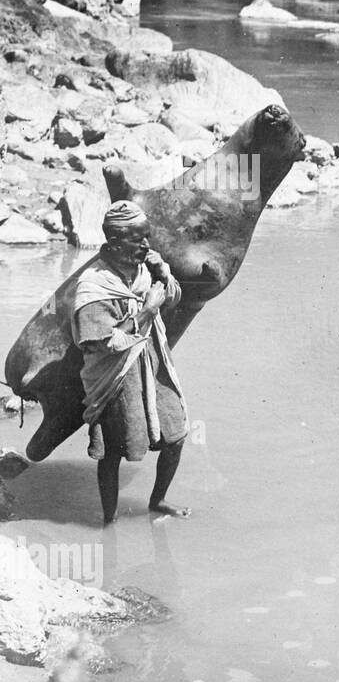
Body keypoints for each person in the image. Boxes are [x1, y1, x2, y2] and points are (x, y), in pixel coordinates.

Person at [72, 200, 190, 525]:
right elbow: (104, 342)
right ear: (114, 243)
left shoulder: (143, 268)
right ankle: (108, 522)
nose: (147, 245)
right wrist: (148, 310)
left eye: (147, 236)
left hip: (151, 361)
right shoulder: (93, 286)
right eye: (138, 239)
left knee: (176, 433)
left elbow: (174, 296)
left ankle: (158, 501)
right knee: (112, 451)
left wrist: (164, 273)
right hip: (116, 374)